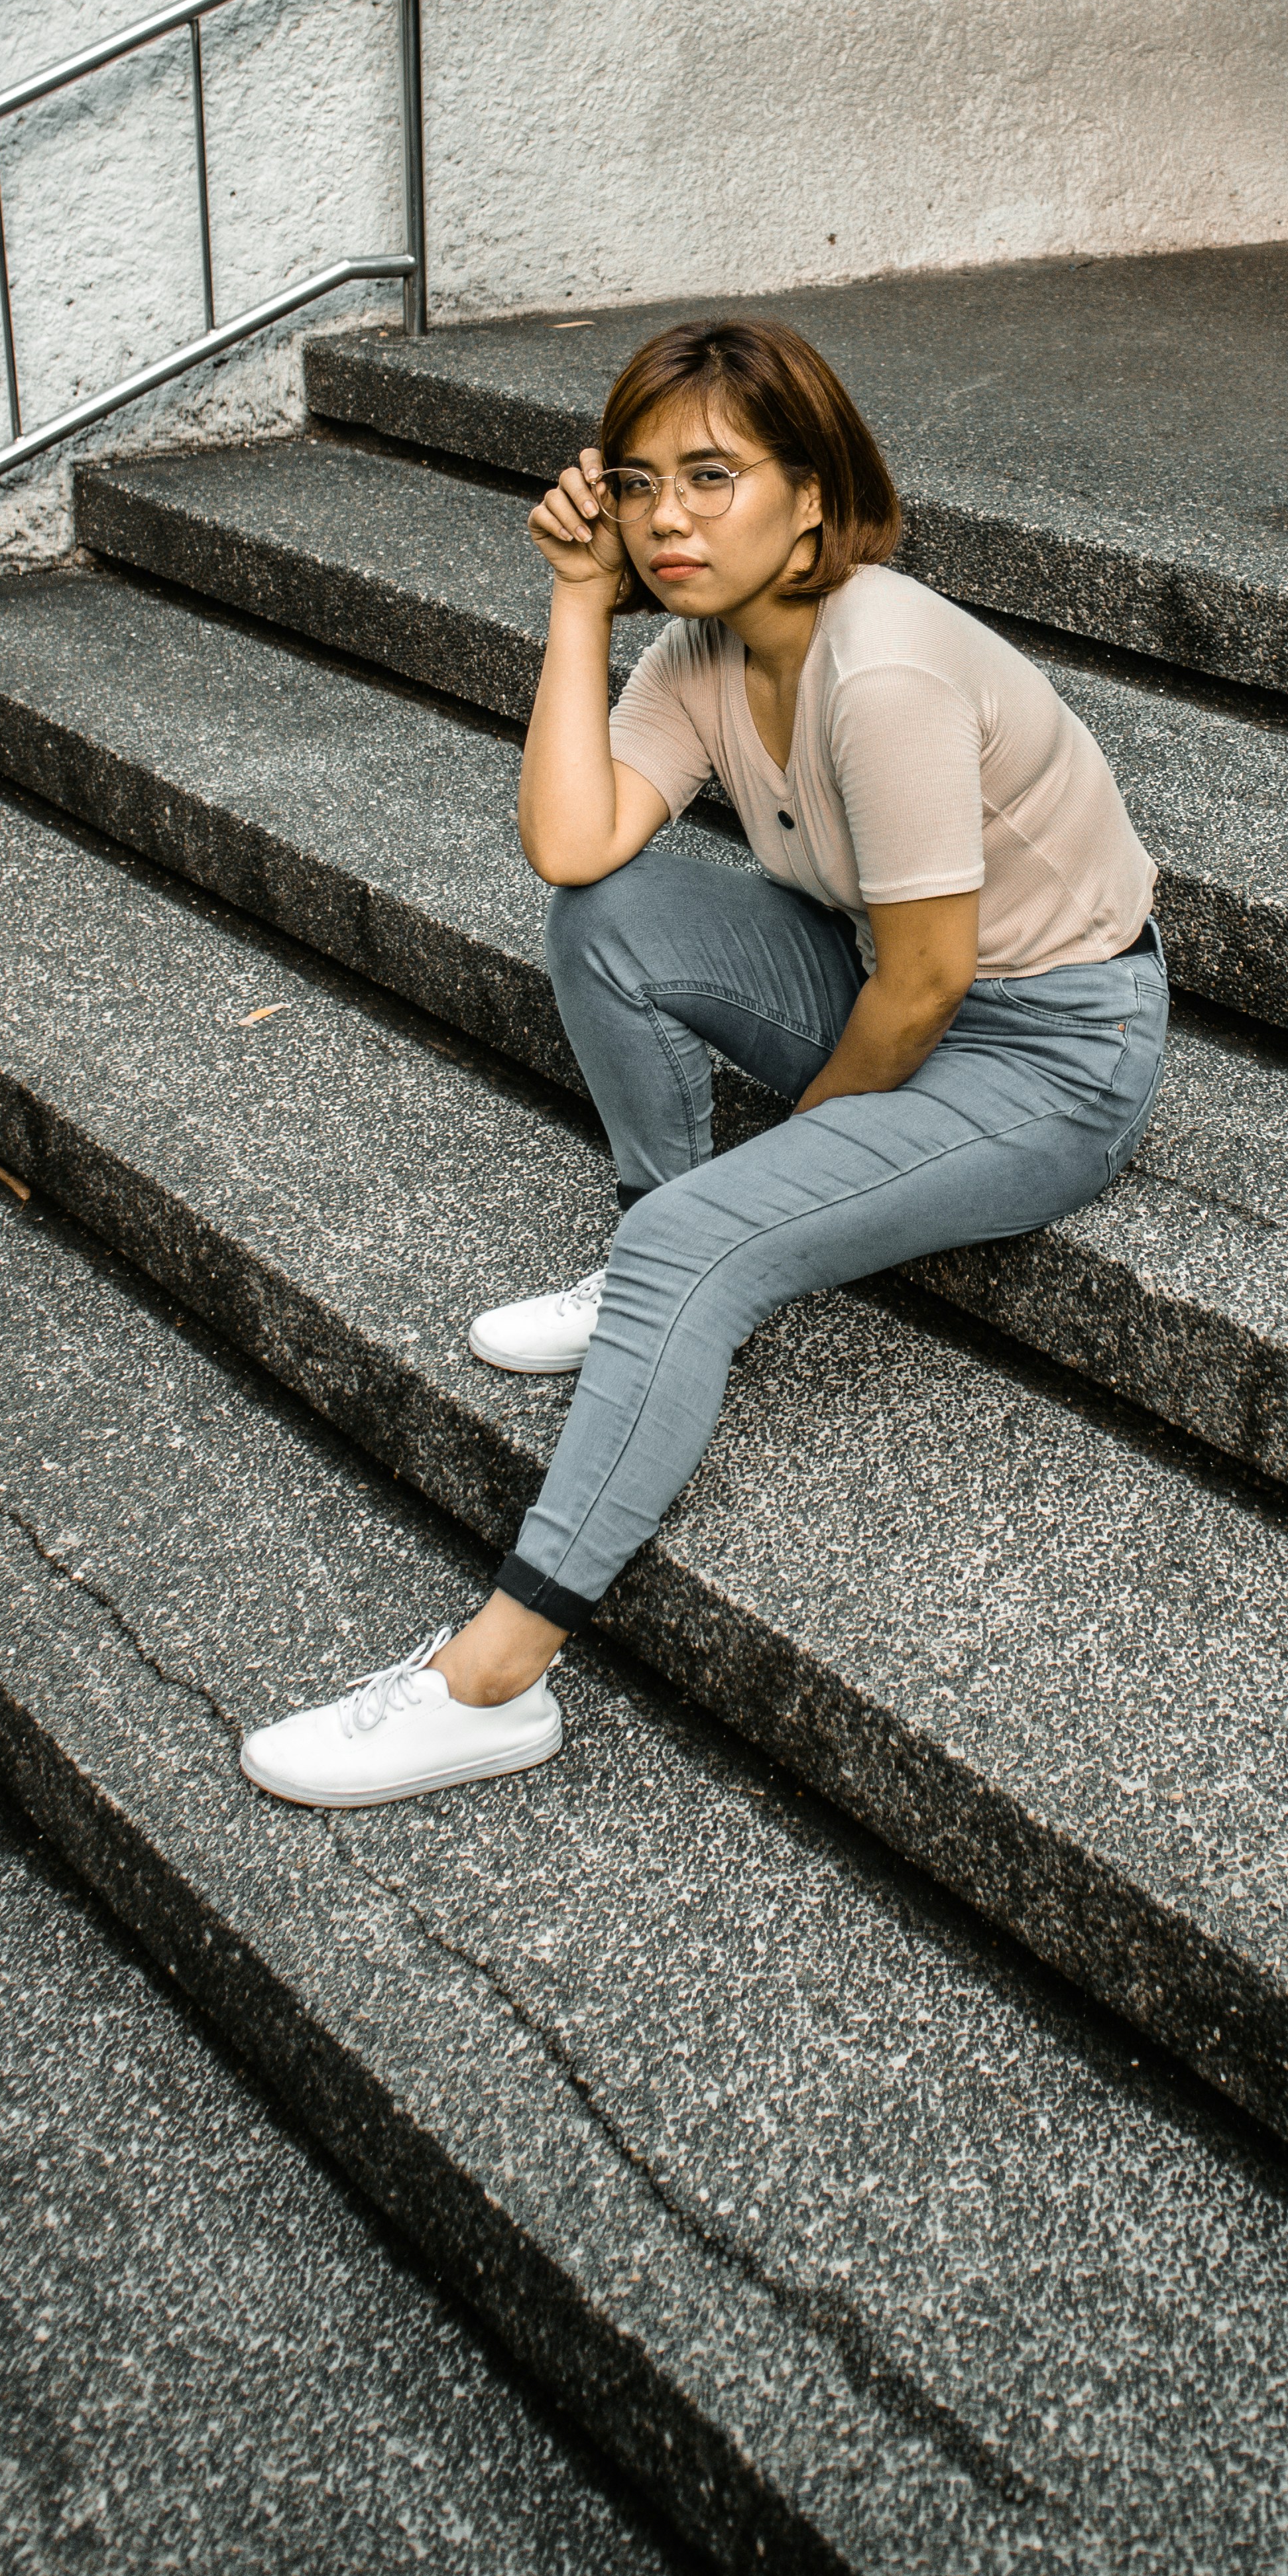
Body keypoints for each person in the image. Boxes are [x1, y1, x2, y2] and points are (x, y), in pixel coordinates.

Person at [240, 314, 1167, 1808]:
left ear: (812, 495)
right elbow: (574, 841)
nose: (667, 518)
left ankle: (493, 1680)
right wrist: (573, 606)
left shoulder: (885, 673)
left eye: (713, 478)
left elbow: (933, 982)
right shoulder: (700, 650)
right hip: (888, 979)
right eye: (638, 482)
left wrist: (757, 1190)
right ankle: (652, 1255)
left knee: (697, 1242)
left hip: (1050, 1055)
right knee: (610, 910)